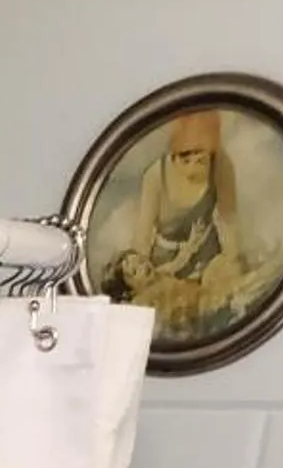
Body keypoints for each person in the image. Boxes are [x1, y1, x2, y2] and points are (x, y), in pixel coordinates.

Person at [105, 108, 270, 339]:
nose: (195, 166)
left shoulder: (222, 165)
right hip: (165, 264)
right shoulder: (155, 175)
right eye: (187, 158)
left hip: (210, 255)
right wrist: (143, 283)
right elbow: (142, 235)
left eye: (203, 159)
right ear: (175, 154)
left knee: (228, 300)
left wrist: (229, 261)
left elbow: (228, 221)